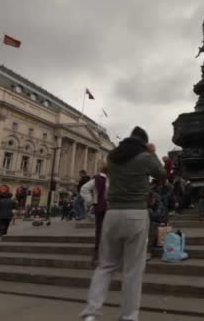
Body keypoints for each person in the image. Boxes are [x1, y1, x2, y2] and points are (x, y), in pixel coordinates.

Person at [80, 126, 165, 321]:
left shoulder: (113, 158)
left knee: (105, 265)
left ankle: (91, 313)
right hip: (136, 213)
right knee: (133, 270)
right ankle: (128, 316)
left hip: (112, 213)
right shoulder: (145, 157)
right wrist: (152, 153)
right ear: (143, 143)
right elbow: (161, 174)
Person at [80, 165, 110, 263]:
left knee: (100, 228)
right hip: (108, 207)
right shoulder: (108, 180)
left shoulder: (97, 179)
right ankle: (104, 251)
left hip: (100, 206)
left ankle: (98, 250)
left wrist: (91, 201)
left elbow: (84, 188)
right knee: (106, 228)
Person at [147, 190, 168, 260]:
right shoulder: (149, 205)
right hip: (151, 226)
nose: (150, 202)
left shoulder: (160, 205)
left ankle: (148, 251)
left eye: (152, 200)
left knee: (153, 224)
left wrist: (149, 211)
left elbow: (156, 216)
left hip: (160, 227)